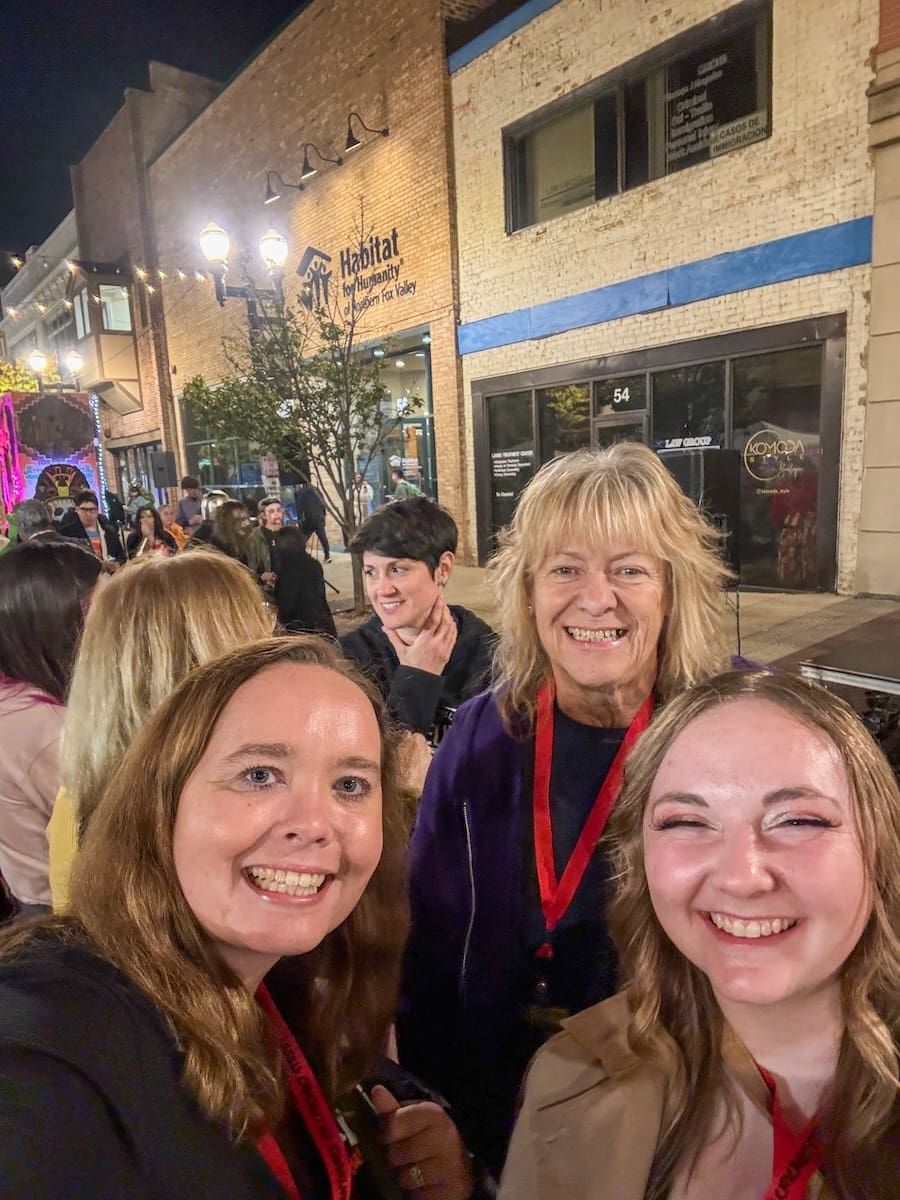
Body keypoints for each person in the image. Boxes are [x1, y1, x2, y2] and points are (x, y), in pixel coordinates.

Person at [0, 637, 479, 1200]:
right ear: (163, 800)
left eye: (349, 785)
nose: (314, 823)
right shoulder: (51, 1040)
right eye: (260, 774)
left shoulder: (287, 988)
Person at [398, 443, 732, 1174]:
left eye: (630, 569)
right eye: (566, 568)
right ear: (527, 593)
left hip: (677, 1115)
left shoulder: (733, 730)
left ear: (674, 590)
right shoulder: (483, 734)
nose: (594, 598)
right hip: (490, 1104)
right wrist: (431, 1109)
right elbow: (425, 943)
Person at [501, 669, 900, 1200]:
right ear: (640, 863)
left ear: (877, 846)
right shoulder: (570, 1083)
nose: (740, 876)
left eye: (798, 821)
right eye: (686, 822)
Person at [47, 553, 275, 910]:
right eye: (258, 616)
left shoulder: (74, 802)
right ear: (226, 646)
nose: (272, 631)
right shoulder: (249, 799)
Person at [0, 541, 101, 914]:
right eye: (103, 610)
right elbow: (107, 830)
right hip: (62, 911)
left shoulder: (18, 702)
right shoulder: (44, 728)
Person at [341, 498, 495, 741]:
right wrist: (417, 679)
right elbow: (371, 768)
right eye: (371, 572)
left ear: (443, 568)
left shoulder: (489, 655)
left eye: (398, 569)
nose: (382, 589)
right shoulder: (348, 659)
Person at [275, 526, 337, 638]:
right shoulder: (314, 564)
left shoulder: (288, 569)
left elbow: (287, 603)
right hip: (322, 623)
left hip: (301, 628)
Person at [59, 488, 126, 567]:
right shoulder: (67, 534)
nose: (88, 514)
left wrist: (117, 564)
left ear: (97, 511)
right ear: (77, 510)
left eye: (92, 510)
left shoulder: (109, 532)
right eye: (84, 510)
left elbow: (121, 556)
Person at [245, 495, 283, 594]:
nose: (277, 514)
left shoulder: (288, 534)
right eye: (271, 511)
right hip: (266, 589)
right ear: (263, 515)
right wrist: (261, 577)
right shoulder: (254, 538)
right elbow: (251, 566)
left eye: (278, 510)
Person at [296, 480, 331, 562]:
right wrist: (323, 515)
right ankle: (327, 556)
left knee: (302, 539)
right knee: (323, 538)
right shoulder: (317, 489)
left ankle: (300, 556)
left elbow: (300, 508)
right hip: (319, 518)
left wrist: (300, 520)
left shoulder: (300, 492)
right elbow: (323, 504)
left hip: (308, 519)